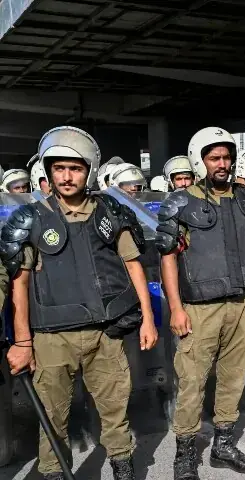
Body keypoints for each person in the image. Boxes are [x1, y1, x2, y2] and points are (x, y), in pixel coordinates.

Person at [2, 126, 157, 480]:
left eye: (75, 168)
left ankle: (123, 468)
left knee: (116, 412)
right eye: (59, 168)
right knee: (52, 418)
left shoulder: (110, 212)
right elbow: (20, 284)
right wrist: (23, 342)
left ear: (88, 170)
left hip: (105, 335)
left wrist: (147, 319)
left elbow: (133, 265)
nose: (67, 176)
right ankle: (56, 472)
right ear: (49, 171)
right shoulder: (31, 219)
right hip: (51, 340)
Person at [156, 126, 245, 478]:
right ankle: (185, 454)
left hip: (241, 304)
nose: (222, 164)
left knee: (234, 376)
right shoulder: (181, 201)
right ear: (200, 160)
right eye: (214, 158)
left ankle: (223, 444)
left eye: (226, 157)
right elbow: (167, 258)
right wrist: (175, 308)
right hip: (199, 308)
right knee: (191, 380)